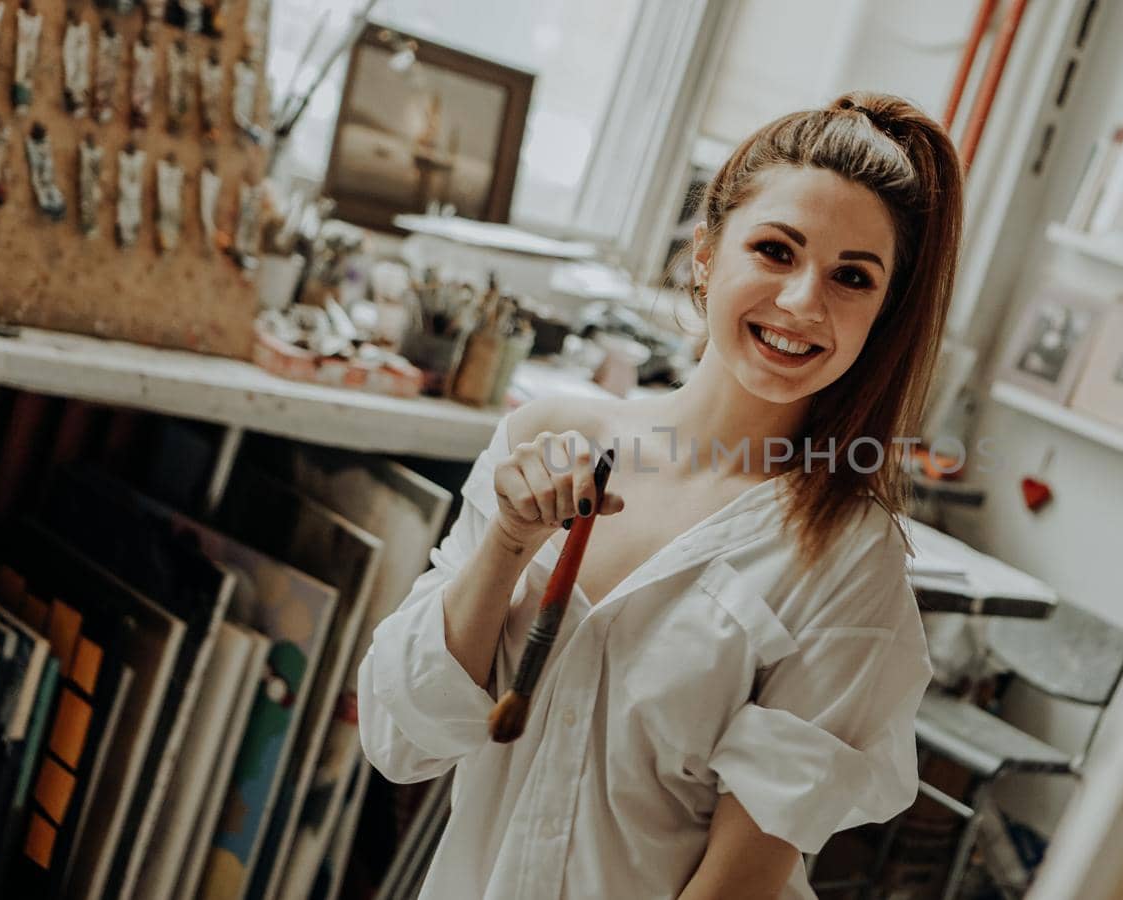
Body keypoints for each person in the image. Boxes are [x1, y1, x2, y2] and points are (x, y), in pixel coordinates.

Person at [357, 91, 963, 899]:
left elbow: (738, 885)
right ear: (706, 254)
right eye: (776, 251)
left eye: (852, 278)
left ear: (881, 315)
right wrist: (506, 544)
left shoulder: (849, 556)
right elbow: (405, 740)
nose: (802, 303)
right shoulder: (550, 438)